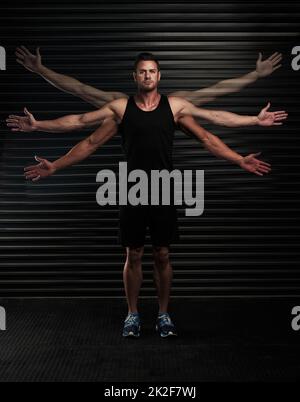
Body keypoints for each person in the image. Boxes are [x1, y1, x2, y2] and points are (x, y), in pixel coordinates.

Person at [7, 53, 286, 338]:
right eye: (142, 72)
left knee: (163, 254)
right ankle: (132, 315)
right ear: (135, 76)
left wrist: (251, 124)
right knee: (134, 253)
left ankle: (164, 314)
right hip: (133, 189)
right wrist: (42, 131)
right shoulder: (119, 106)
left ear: (159, 75)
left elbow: (213, 120)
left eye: (152, 71)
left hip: (164, 188)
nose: (148, 76)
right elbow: (82, 124)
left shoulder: (176, 105)